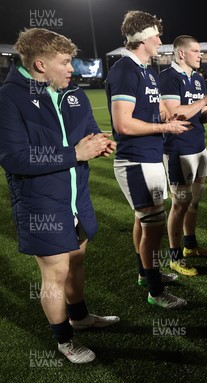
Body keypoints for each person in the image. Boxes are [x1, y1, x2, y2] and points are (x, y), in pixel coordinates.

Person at [0, 28, 119, 363]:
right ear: (40, 64)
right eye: (66, 62)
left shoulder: (73, 93)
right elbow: (13, 158)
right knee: (55, 273)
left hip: (76, 197)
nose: (73, 69)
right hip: (41, 203)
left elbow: (87, 130)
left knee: (77, 262)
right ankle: (64, 340)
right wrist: (75, 154)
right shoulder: (9, 98)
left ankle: (79, 317)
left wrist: (99, 141)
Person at [106, 10, 190, 309]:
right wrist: (164, 127)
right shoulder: (125, 71)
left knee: (145, 223)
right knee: (153, 226)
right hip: (136, 161)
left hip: (150, 158)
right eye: (156, 35)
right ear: (143, 38)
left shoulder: (145, 70)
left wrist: (170, 117)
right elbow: (123, 125)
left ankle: (146, 273)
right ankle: (155, 291)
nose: (160, 40)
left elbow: (152, 113)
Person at [159, 35, 207, 276]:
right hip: (179, 150)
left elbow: (201, 114)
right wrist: (206, 99)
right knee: (180, 204)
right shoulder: (168, 78)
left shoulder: (197, 79)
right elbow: (175, 113)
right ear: (180, 54)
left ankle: (190, 246)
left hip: (199, 146)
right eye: (196, 51)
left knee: (194, 201)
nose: (200, 55)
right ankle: (174, 256)